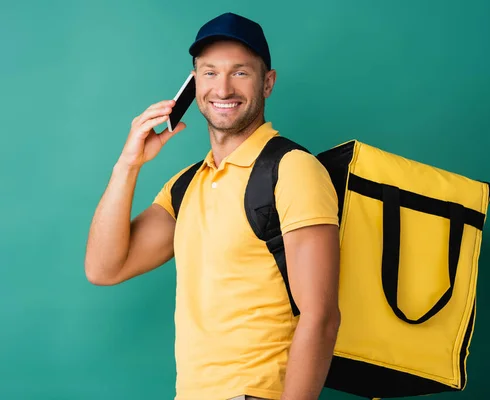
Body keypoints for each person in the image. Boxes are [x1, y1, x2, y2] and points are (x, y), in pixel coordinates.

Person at [84, 12, 341, 400]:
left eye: (240, 73)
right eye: (209, 73)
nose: (222, 88)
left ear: (267, 82)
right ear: (192, 84)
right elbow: (104, 268)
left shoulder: (292, 170)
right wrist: (127, 165)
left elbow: (321, 317)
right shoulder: (187, 185)